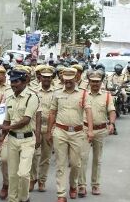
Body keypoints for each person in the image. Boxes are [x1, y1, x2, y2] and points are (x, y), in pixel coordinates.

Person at [47, 68, 94, 201]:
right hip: (60, 132)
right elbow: (52, 113)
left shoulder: (83, 94)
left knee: (75, 163)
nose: (67, 83)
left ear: (76, 79)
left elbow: (89, 112)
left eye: (70, 80)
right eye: (65, 80)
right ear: (62, 79)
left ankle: (73, 185)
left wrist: (90, 130)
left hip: (78, 133)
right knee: (60, 164)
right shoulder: (57, 93)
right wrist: (49, 131)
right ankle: (61, 194)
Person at [0, 68, 40, 202]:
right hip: (12, 140)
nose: (13, 84)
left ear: (24, 82)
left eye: (16, 81)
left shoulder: (32, 97)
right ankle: (13, 199)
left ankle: (24, 197)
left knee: (23, 173)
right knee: (13, 175)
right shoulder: (9, 99)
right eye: (12, 82)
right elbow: (7, 120)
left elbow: (26, 120)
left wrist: (7, 127)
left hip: (27, 140)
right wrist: (2, 136)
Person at [78, 70, 116, 197]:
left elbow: (111, 111)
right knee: (83, 158)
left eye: (97, 82)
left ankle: (95, 185)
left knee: (97, 159)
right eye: (93, 81)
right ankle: (81, 185)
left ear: (101, 82)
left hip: (100, 130)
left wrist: (111, 124)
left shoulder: (107, 95)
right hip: (84, 129)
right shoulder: (83, 95)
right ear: (89, 82)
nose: (95, 84)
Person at [30, 66, 55, 193]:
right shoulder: (33, 91)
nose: (46, 79)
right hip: (35, 128)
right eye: (44, 77)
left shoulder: (56, 92)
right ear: (40, 78)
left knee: (46, 156)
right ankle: (32, 179)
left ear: (51, 78)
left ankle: (42, 181)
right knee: (34, 155)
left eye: (48, 77)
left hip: (50, 128)